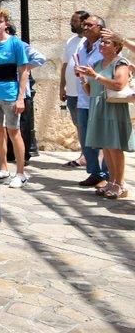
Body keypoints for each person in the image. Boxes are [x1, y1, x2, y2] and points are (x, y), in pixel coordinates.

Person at [78, 33, 133, 199]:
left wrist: (95, 76)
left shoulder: (120, 63)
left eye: (106, 42)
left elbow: (119, 84)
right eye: (101, 42)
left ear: (116, 47)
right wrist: (83, 80)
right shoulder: (97, 63)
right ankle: (111, 180)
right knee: (106, 147)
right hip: (98, 107)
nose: (102, 45)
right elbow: (91, 92)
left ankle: (120, 184)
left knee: (115, 147)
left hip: (112, 108)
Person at [0, 9, 30, 188]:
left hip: (10, 92)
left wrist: (21, 98)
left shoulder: (16, 44)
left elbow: (23, 71)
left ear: (6, 23)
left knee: (13, 131)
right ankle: (3, 168)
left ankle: (21, 172)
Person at [76, 15, 108, 188]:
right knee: (86, 138)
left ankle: (106, 174)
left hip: (99, 99)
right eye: (84, 24)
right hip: (83, 98)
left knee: (103, 138)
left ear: (100, 28)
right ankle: (94, 173)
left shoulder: (105, 47)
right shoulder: (82, 46)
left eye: (89, 25)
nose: (85, 27)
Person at [60, 10, 89, 168]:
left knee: (87, 124)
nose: (72, 23)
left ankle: (90, 156)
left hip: (84, 92)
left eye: (75, 21)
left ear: (84, 22)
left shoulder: (89, 42)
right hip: (71, 92)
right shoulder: (70, 41)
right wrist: (61, 87)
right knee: (79, 125)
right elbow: (65, 65)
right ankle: (84, 155)